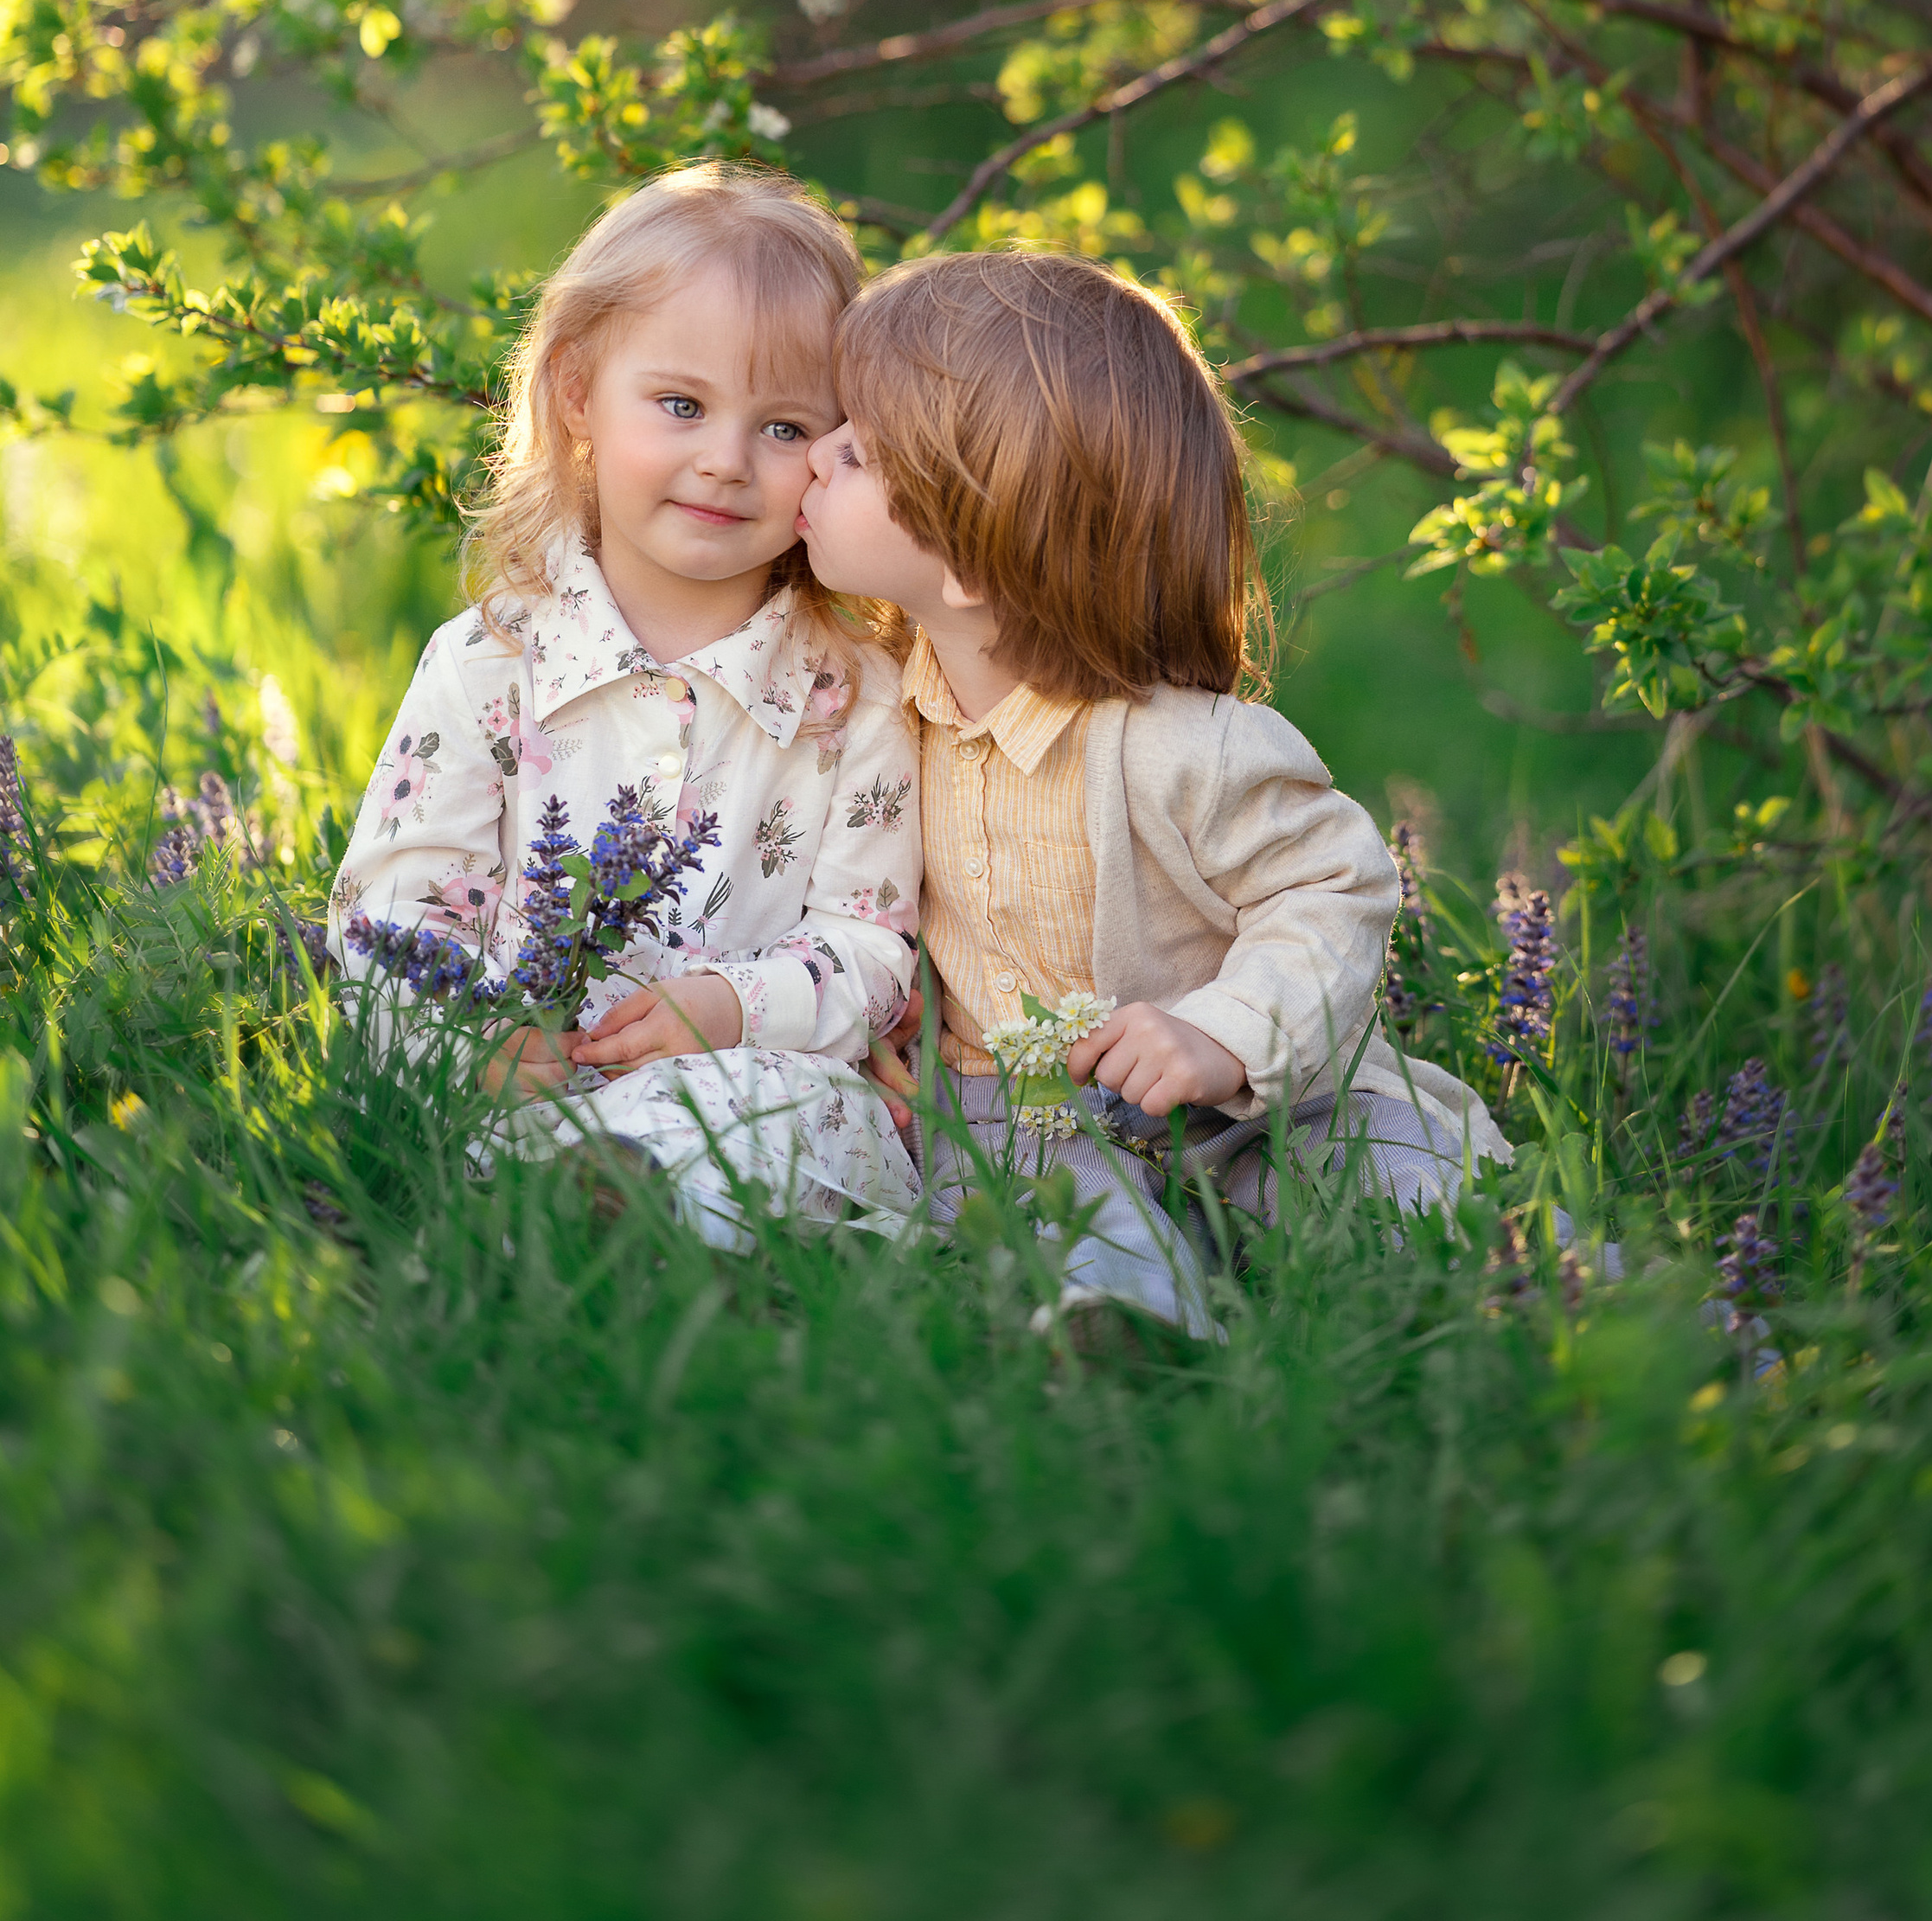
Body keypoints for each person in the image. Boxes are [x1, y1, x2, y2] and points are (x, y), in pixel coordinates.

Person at [794, 247, 1506, 1344]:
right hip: (1016, 1115)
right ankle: (1128, 1331)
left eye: (858, 450)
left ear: (973, 556)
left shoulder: (1184, 749)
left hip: (1249, 1105)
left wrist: (1224, 1033)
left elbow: (1335, 890)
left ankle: (1572, 1299)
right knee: (1064, 1209)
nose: (813, 456)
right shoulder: (876, 715)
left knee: (1395, 1182)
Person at [329, 163, 920, 1245]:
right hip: (524, 1090)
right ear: (575, 397)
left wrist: (735, 1009)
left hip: (752, 1089)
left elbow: (873, 947)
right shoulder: (489, 663)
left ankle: (652, 1235)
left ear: (842, 448)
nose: (725, 462)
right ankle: (578, 1224)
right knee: (482, 1142)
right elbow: (393, 913)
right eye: (682, 406)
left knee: (786, 1119)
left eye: (785, 429)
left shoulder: (855, 693)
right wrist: (473, 1046)